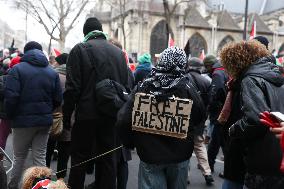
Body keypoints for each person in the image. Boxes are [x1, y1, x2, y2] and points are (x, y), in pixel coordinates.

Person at [117, 47, 206, 189]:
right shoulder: (187, 87)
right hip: (180, 155)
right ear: (182, 63)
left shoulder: (144, 86)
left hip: (150, 155)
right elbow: (200, 115)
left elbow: (124, 119)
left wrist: (131, 142)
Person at [63, 17, 130, 189]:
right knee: (108, 161)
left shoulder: (79, 50)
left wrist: (66, 118)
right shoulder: (119, 54)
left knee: (79, 160)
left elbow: (72, 89)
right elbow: (126, 87)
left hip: (86, 116)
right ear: (101, 31)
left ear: (85, 33)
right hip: (111, 117)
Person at [220, 40, 284, 189]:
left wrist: (233, 129)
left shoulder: (250, 79)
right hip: (278, 153)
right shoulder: (276, 75)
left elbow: (255, 119)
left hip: (262, 159)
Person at [5, 41, 62, 189]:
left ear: (26, 52)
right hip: (44, 121)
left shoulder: (16, 70)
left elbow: (11, 98)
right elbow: (58, 99)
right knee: (40, 158)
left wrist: (10, 116)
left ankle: (13, 187)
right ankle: (41, 187)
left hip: (22, 122)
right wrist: (46, 110)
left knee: (19, 157)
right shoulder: (51, 72)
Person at [185, 57, 214, 185]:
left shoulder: (184, 79)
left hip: (185, 117)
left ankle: (185, 176)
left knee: (185, 147)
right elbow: (210, 101)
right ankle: (207, 173)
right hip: (200, 119)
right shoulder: (207, 81)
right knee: (200, 146)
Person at [46, 53, 71, 179]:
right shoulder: (74, 76)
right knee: (65, 149)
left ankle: (45, 175)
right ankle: (61, 177)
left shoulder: (52, 75)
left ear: (59, 63)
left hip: (52, 115)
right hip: (69, 117)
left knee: (48, 146)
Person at [204, 55, 228, 174]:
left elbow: (216, 92)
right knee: (223, 141)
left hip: (219, 112)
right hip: (225, 110)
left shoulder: (217, 74)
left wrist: (211, 106)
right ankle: (227, 168)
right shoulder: (224, 70)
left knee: (215, 142)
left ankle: (209, 166)